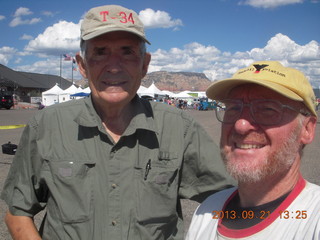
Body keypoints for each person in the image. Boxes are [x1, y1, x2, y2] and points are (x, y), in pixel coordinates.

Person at [1, 5, 233, 240]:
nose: (114, 66)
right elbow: (18, 211)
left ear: (144, 64)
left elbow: (233, 201)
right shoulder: (47, 125)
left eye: (127, 52)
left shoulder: (179, 128)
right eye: (100, 52)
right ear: (82, 65)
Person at [186, 61, 320, 240]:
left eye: (267, 108)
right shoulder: (207, 212)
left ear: (307, 129)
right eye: (233, 108)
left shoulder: (314, 220)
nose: (240, 125)